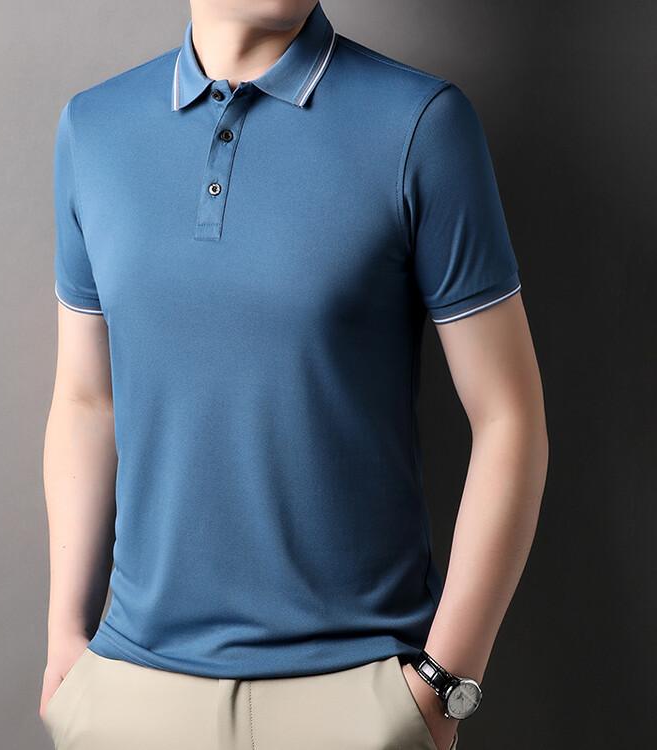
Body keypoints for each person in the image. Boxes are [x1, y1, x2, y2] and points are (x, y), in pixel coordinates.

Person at [38, 1, 549, 748]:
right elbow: (87, 401)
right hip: (132, 693)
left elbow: (509, 416)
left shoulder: (420, 124)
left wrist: (443, 684)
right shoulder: (93, 129)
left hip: (356, 694)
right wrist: (65, 642)